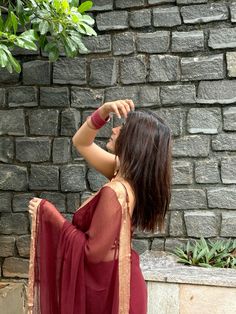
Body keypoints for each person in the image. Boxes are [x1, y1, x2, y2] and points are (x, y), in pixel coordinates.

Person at [28, 99, 172, 314]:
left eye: (122, 128)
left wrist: (48, 214)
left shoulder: (115, 192)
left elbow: (92, 253)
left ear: (135, 141)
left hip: (110, 292)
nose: (114, 128)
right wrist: (103, 111)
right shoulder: (128, 175)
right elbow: (81, 142)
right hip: (117, 282)